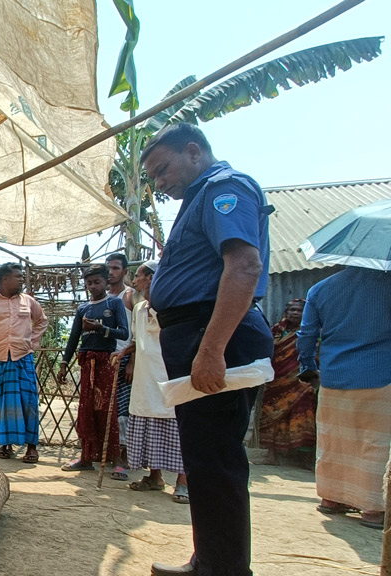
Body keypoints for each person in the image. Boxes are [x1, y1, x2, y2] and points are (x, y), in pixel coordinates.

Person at [142, 123, 274, 576]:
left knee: (215, 458)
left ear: (193, 152)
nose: (160, 184)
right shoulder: (199, 198)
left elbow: (243, 266)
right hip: (198, 333)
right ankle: (211, 560)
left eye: (162, 170)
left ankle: (223, 569)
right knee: (204, 456)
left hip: (214, 334)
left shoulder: (225, 188)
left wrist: (211, 349)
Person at [297, 267, 391, 530]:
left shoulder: (321, 288)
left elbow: (306, 335)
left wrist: (307, 367)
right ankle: (373, 509)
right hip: (382, 373)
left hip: (334, 374)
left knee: (334, 437)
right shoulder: (387, 284)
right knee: (375, 442)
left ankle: (331, 498)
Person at [114, 261, 188, 503]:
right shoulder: (138, 308)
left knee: (177, 425)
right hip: (145, 377)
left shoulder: (176, 305)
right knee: (148, 422)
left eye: (139, 276)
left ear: (153, 278)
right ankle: (154, 477)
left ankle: (183, 482)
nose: (134, 282)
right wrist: (126, 353)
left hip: (170, 372)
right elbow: (139, 338)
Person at [58, 264, 129, 473]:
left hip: (106, 361)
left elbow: (124, 333)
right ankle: (86, 457)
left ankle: (116, 460)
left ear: (106, 282)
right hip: (86, 362)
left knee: (108, 409)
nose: (93, 286)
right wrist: (63, 363)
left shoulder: (114, 303)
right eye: (89, 283)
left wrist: (101, 329)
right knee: (86, 409)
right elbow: (73, 339)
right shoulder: (83, 309)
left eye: (97, 282)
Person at [0, 263, 49, 464]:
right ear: (4, 279)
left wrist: (32, 343)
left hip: (22, 358)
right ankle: (5, 444)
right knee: (1, 404)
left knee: (29, 401)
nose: (21, 280)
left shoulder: (29, 301)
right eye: (17, 277)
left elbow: (42, 321)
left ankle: (32, 447)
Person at [257, 298, 315, 467]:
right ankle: (271, 456)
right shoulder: (276, 330)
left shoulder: (308, 331)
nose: (295, 313)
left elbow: (315, 352)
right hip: (276, 381)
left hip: (300, 383)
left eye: (299, 310)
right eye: (292, 310)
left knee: (303, 417)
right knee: (270, 416)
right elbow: (267, 351)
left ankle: (304, 459)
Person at [106, 252, 135, 480]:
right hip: (106, 357)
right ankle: (107, 453)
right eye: (108, 268)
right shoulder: (103, 297)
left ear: (125, 271)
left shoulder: (130, 296)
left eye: (115, 268)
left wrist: (132, 361)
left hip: (124, 357)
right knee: (106, 408)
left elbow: (140, 331)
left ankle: (123, 457)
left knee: (123, 410)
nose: (110, 272)